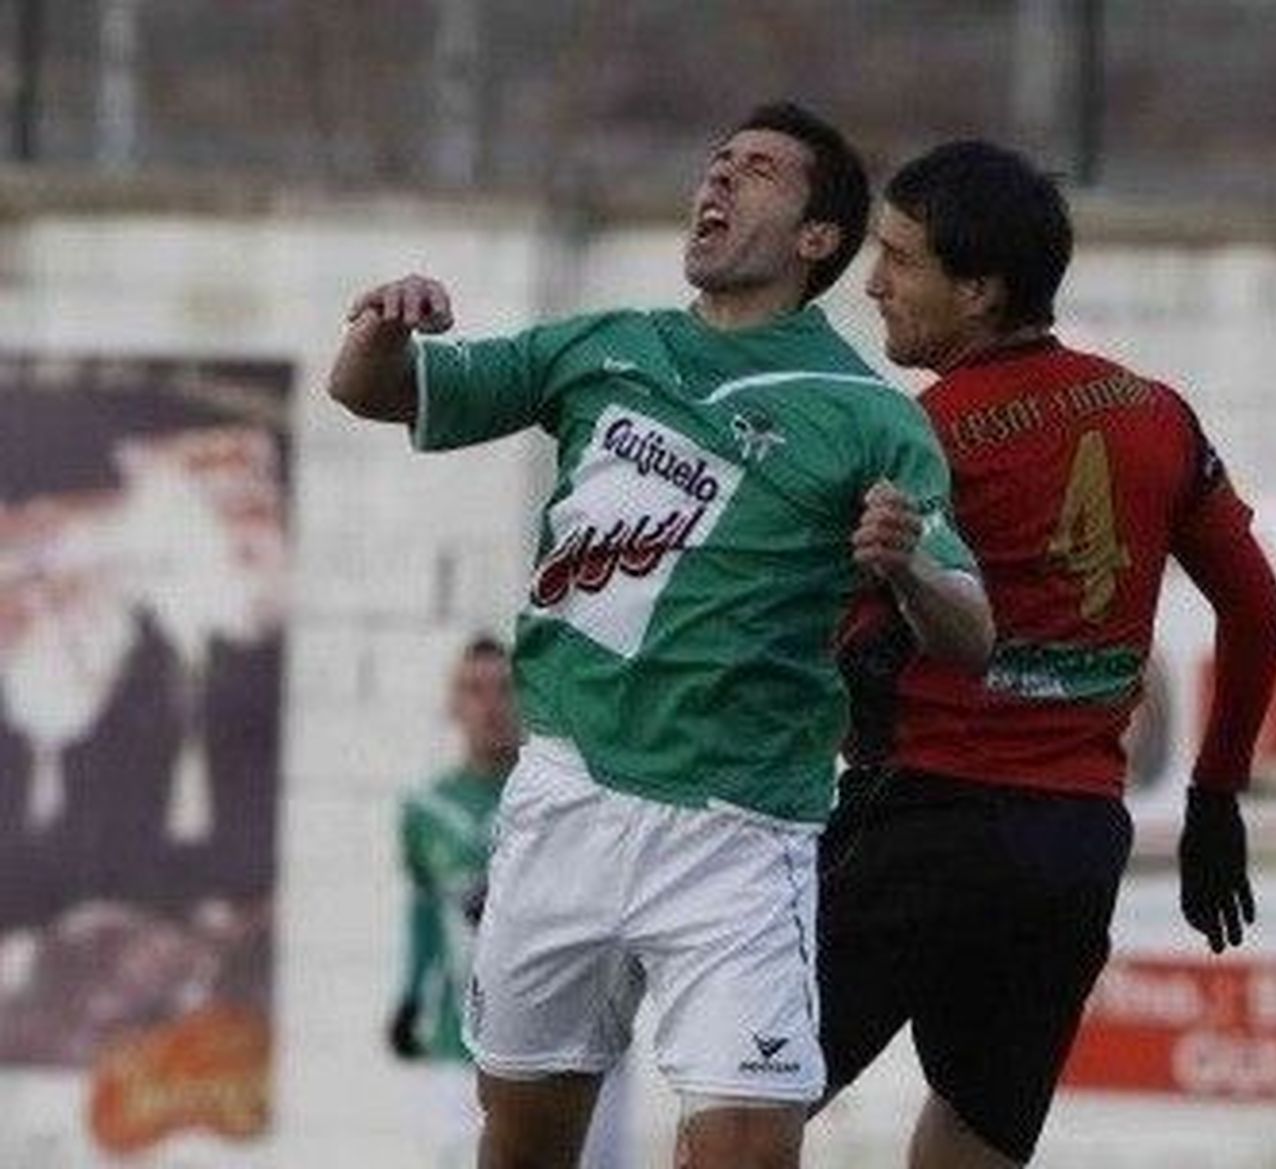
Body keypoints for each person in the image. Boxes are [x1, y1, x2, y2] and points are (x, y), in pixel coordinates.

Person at [328, 103, 994, 1169]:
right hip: (565, 798)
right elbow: (374, 391)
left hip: (737, 829)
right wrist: (384, 324)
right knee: (523, 1147)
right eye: (714, 161)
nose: (718, 181)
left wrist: (911, 560)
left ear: (818, 238)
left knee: (748, 1148)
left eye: (758, 171)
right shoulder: (607, 345)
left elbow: (972, 632)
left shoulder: (868, 415)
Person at [816, 140, 1276, 1168]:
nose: (873, 281)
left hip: (919, 822)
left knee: (739, 1107)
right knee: (974, 1140)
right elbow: (1257, 611)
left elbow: (827, 628)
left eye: (899, 258)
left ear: (979, 289)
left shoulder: (915, 433)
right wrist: (1214, 794)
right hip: (1069, 846)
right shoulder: (1157, 413)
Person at [386, 636, 631, 1168]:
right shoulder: (426, 811)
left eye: (506, 689)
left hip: (571, 1041)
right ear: (454, 704)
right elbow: (426, 908)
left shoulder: (574, 796)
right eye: (475, 690)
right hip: (460, 1045)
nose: (491, 705)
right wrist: (410, 998)